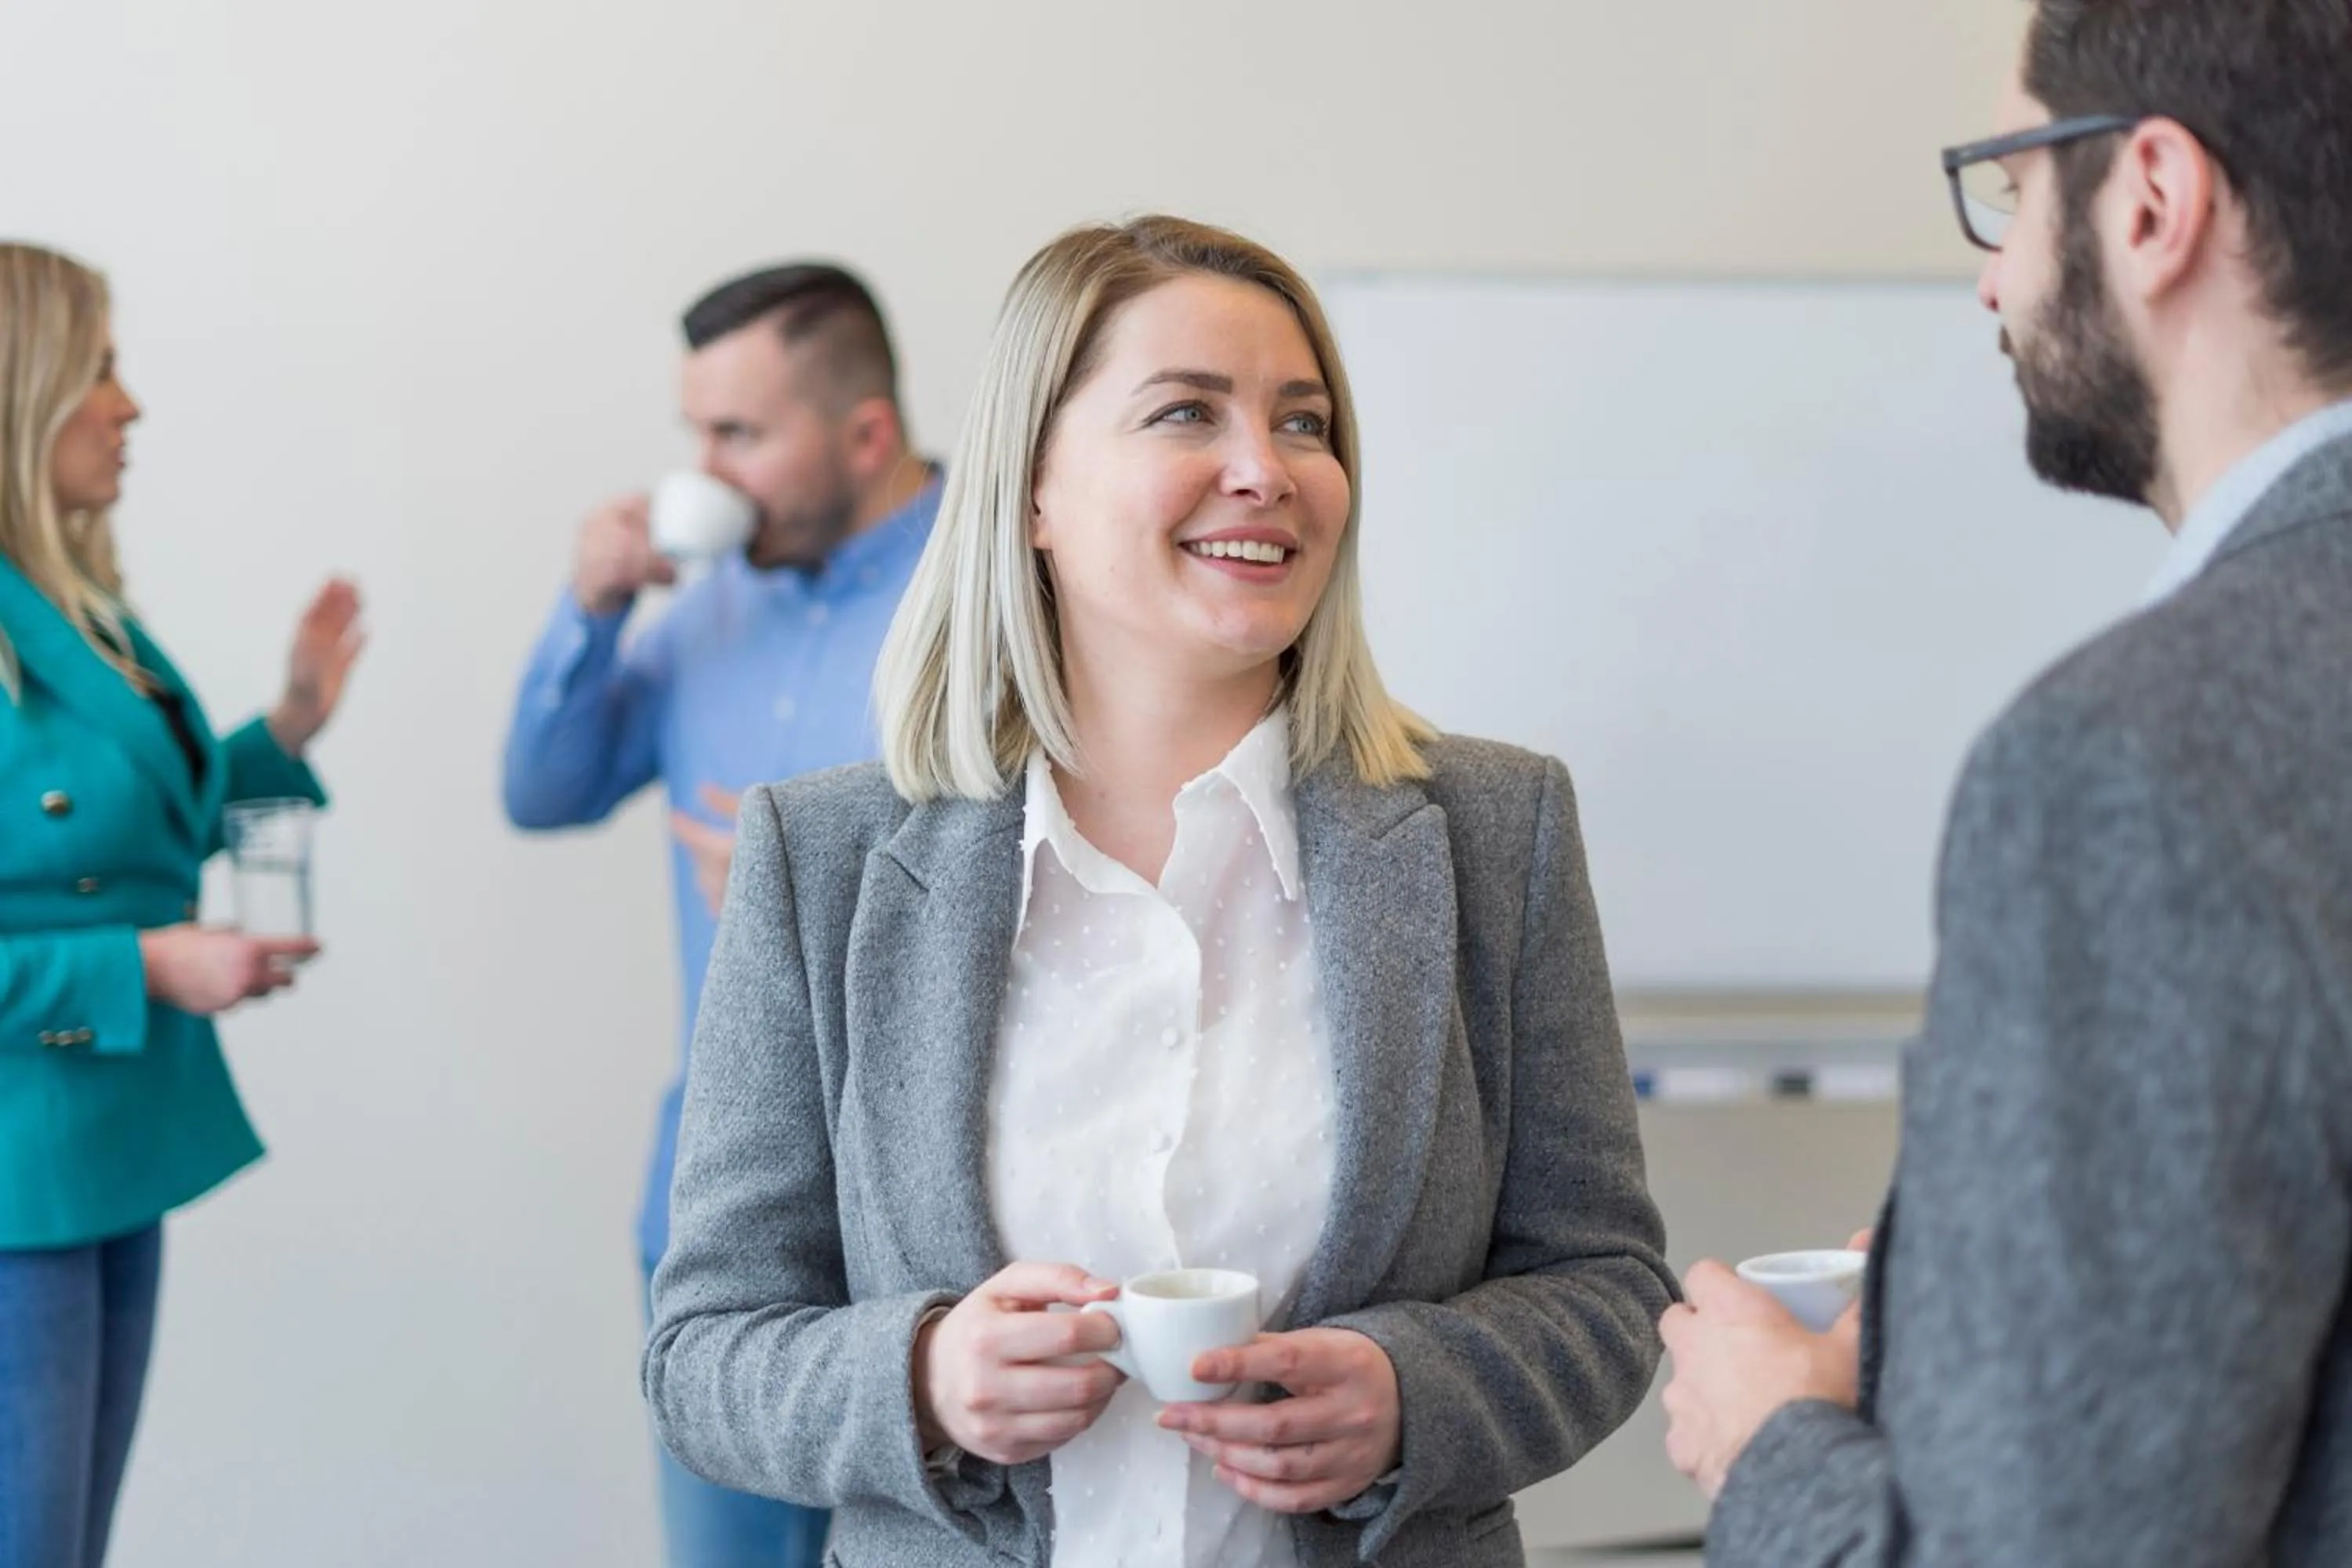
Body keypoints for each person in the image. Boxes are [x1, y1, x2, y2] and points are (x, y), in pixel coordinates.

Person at [643, 214, 1676, 1567]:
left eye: (1304, 423)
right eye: (1188, 412)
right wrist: (924, 1379)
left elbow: (1604, 1287)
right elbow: (705, 1350)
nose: (1266, 469)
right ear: (1032, 490)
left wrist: (1411, 1395)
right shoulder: (822, 858)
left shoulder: (1497, 831)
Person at [1658, 3, 2352, 1562]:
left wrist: (1772, 1444)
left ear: (2153, 200)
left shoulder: (2129, 759)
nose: (1991, 272)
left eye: (2016, 186)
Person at [501, 260, 939, 1566]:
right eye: (697, 433)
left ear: (866, 435)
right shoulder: (709, 605)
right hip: (717, 1215)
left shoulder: (1002, 594)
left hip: (933, 1232)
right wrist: (590, 608)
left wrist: (817, 891)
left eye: (738, 435)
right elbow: (546, 790)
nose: (704, 472)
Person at [0, 241, 361, 1566]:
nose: (128, 405)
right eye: (97, 369)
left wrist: (291, 722)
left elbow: (132, 828)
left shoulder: (75, 607)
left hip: (107, 1148)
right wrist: (146, 968)